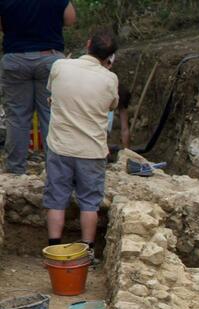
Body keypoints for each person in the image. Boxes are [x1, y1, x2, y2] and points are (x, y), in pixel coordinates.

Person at [43, 29, 119, 251]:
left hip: (60, 147)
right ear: (110, 57)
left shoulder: (60, 66)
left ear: (88, 44)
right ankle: (87, 250)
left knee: (56, 200)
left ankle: (54, 248)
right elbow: (111, 106)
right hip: (91, 152)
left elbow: (53, 95)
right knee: (89, 203)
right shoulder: (109, 78)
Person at [0, 0, 76, 174]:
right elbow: (70, 19)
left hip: (15, 58)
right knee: (51, 115)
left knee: (17, 117)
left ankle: (15, 169)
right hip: (50, 59)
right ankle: (56, 170)